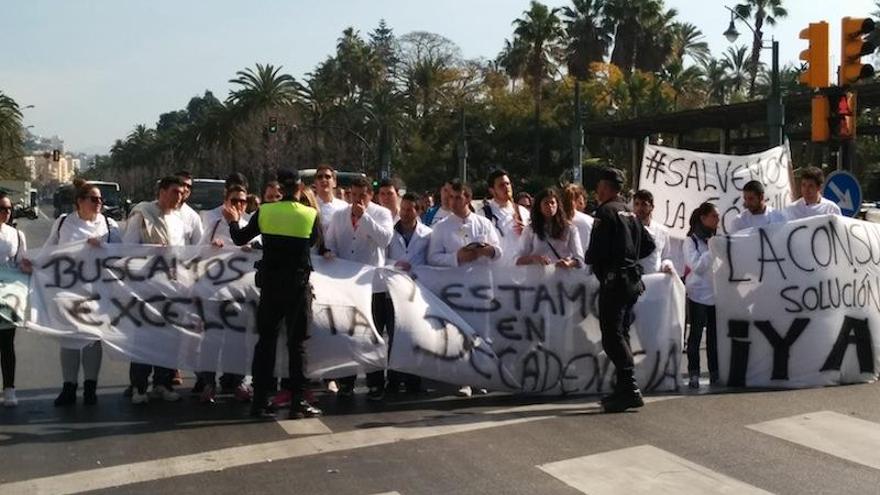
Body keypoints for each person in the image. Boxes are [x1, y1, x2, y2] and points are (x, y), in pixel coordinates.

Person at [226, 168, 324, 419]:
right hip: (297, 285)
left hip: (270, 286)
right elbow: (313, 241)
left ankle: (260, 401)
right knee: (297, 344)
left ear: (280, 189)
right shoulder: (310, 214)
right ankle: (297, 402)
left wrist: (233, 220)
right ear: (300, 189)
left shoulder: (266, 211)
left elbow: (239, 238)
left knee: (266, 343)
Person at [44, 179, 121, 407]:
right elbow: (49, 251)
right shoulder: (63, 223)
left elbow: (122, 255)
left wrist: (104, 248)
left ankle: (90, 387)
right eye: (94, 199)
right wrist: (31, 264)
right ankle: (69, 386)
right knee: (69, 339)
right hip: (69, 291)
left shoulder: (109, 225)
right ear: (80, 201)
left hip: (98, 292)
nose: (99, 203)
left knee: (92, 340)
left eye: (101, 200)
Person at [584, 168, 655, 413]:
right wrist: (630, 257)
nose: (597, 191)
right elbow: (649, 244)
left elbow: (594, 252)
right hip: (632, 280)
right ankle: (623, 388)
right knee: (621, 333)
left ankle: (630, 387)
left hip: (615, 281)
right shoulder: (632, 214)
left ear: (605, 187)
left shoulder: (606, 211)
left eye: (599, 186)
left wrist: (609, 261)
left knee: (612, 335)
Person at [427, 180, 502, 397]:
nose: (453, 201)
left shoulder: (484, 223)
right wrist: (456, 257)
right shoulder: (441, 227)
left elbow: (499, 251)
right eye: (450, 197)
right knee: (460, 333)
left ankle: (481, 377)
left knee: (483, 335)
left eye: (458, 197)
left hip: (481, 286)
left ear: (468, 199)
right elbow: (433, 257)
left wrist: (487, 251)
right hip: (456, 288)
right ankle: (463, 379)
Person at [323, 176, 394, 401]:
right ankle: (346, 381)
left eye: (362, 195)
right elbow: (330, 240)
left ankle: (375, 382)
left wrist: (364, 217)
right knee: (348, 335)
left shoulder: (381, 214)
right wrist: (329, 252)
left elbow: (385, 240)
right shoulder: (339, 215)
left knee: (372, 335)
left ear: (369, 195)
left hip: (372, 286)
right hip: (346, 286)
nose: (357, 199)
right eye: (354, 195)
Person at [122, 176, 188, 404]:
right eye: (174, 192)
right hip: (146, 287)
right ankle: (139, 387)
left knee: (169, 338)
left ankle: (163, 382)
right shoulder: (142, 215)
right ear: (161, 192)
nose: (178, 197)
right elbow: (128, 249)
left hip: (172, 288)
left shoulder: (179, 220)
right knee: (145, 339)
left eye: (181, 193)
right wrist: (151, 252)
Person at [195, 185, 257, 404]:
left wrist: (252, 250)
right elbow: (196, 254)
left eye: (242, 201)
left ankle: (238, 381)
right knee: (212, 341)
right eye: (234, 200)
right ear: (226, 200)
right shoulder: (214, 225)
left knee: (238, 341)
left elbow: (260, 254)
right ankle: (208, 383)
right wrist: (211, 247)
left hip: (240, 295)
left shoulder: (249, 225)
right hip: (214, 293)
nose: (238, 205)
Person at [384, 192, 432, 394]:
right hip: (393, 290)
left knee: (414, 336)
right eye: (402, 209)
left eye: (409, 209)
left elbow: (431, 262)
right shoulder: (389, 232)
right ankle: (393, 380)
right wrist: (395, 264)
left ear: (418, 210)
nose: (404, 213)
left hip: (416, 292)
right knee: (395, 336)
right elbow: (380, 259)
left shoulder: (428, 234)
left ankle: (414, 379)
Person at [684, 202, 720, 389]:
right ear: (703, 218)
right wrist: (711, 250)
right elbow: (697, 267)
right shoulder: (691, 241)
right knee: (696, 336)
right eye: (714, 216)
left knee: (714, 337)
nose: (717, 220)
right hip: (698, 295)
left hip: (717, 295)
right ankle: (693, 373)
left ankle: (715, 372)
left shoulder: (718, 238)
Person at [0, 192, 27, 407]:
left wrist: (26, 267)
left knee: (7, 344)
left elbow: (21, 263)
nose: (6, 213)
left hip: (7, 297)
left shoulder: (16, 235)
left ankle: (9, 388)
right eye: (2, 208)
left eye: (9, 209)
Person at [516, 187, 583, 269]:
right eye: (546, 203)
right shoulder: (531, 229)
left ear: (558, 205)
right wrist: (534, 258)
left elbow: (580, 259)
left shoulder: (569, 228)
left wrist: (569, 263)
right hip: (537, 277)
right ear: (539, 206)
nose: (550, 206)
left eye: (552, 203)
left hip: (562, 277)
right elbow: (518, 259)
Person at [480, 169, 530, 266]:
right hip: (497, 272)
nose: (506, 187)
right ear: (492, 190)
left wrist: (526, 231)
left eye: (508, 184)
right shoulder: (483, 214)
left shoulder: (523, 212)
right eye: (501, 185)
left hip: (522, 273)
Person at [632, 190, 674, 275]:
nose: (640, 208)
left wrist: (666, 265)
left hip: (654, 282)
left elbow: (665, 257)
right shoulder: (627, 228)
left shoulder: (662, 231)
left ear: (652, 207)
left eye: (644, 204)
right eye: (637, 204)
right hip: (632, 281)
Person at [313, 164, 349, 232]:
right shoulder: (310, 205)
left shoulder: (344, 207)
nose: (323, 180)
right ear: (315, 182)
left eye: (327, 177)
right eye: (320, 177)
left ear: (334, 182)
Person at [561, 184, 594, 259]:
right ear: (579, 200)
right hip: (584, 267)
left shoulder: (554, 220)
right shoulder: (589, 221)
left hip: (560, 267)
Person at [174, 171, 204, 246]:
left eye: (189, 186)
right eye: (182, 184)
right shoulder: (150, 210)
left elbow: (198, 247)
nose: (186, 189)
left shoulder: (193, 217)